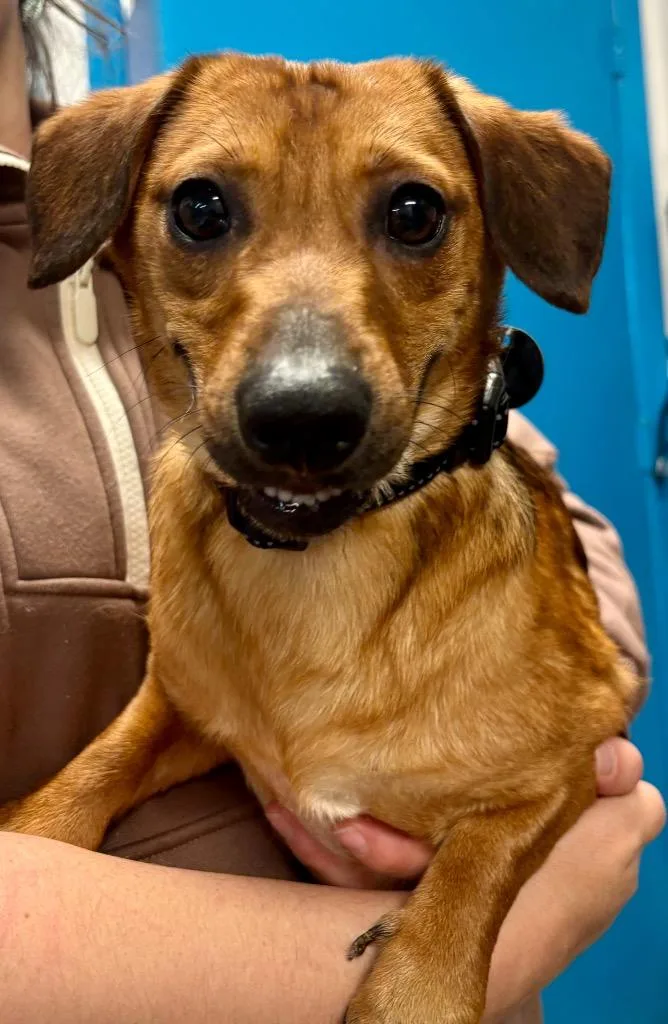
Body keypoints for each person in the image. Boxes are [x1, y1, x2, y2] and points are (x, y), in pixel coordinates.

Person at [0, 1, 664, 1021]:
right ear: (118, 225)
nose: (305, 383)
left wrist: (580, 648)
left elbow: (559, 563)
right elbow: (186, 701)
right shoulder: (110, 163)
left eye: (409, 217)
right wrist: (515, 929)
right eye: (205, 214)